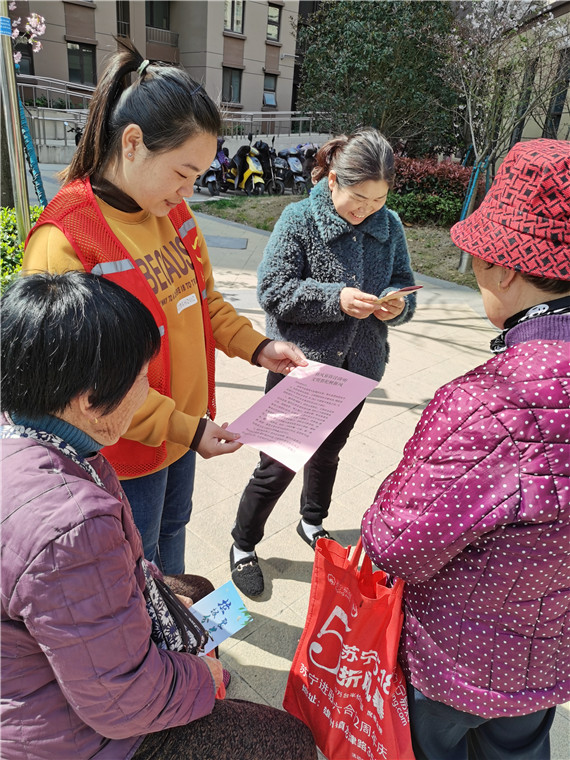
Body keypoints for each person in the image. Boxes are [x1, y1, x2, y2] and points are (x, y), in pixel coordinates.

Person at [0, 272, 317, 760]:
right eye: (142, 377)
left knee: (198, 592)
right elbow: (121, 700)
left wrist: (158, 598)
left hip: (44, 668)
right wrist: (199, 677)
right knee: (286, 741)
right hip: (62, 734)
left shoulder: (45, 438)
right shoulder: (71, 526)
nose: (150, 389)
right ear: (88, 399)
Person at [22, 42, 306, 576]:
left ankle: (179, 644)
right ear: (133, 143)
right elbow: (86, 382)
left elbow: (206, 305)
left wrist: (260, 347)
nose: (188, 191)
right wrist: (185, 428)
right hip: (123, 455)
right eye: (182, 172)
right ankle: (157, 654)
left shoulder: (171, 217)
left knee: (172, 539)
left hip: (181, 437)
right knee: (138, 568)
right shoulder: (68, 239)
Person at [361, 138, 570, 760]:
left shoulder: (494, 402)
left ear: (504, 267)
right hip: (551, 651)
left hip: (460, 662)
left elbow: (395, 542)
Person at [230, 128, 417, 597]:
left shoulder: (389, 225)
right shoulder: (299, 220)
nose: (367, 209)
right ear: (332, 180)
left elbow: (404, 285)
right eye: (358, 197)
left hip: (359, 366)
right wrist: (336, 299)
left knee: (329, 454)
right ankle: (243, 544)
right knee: (277, 465)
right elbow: (273, 291)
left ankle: (311, 521)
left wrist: (397, 305)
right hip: (302, 368)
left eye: (378, 199)